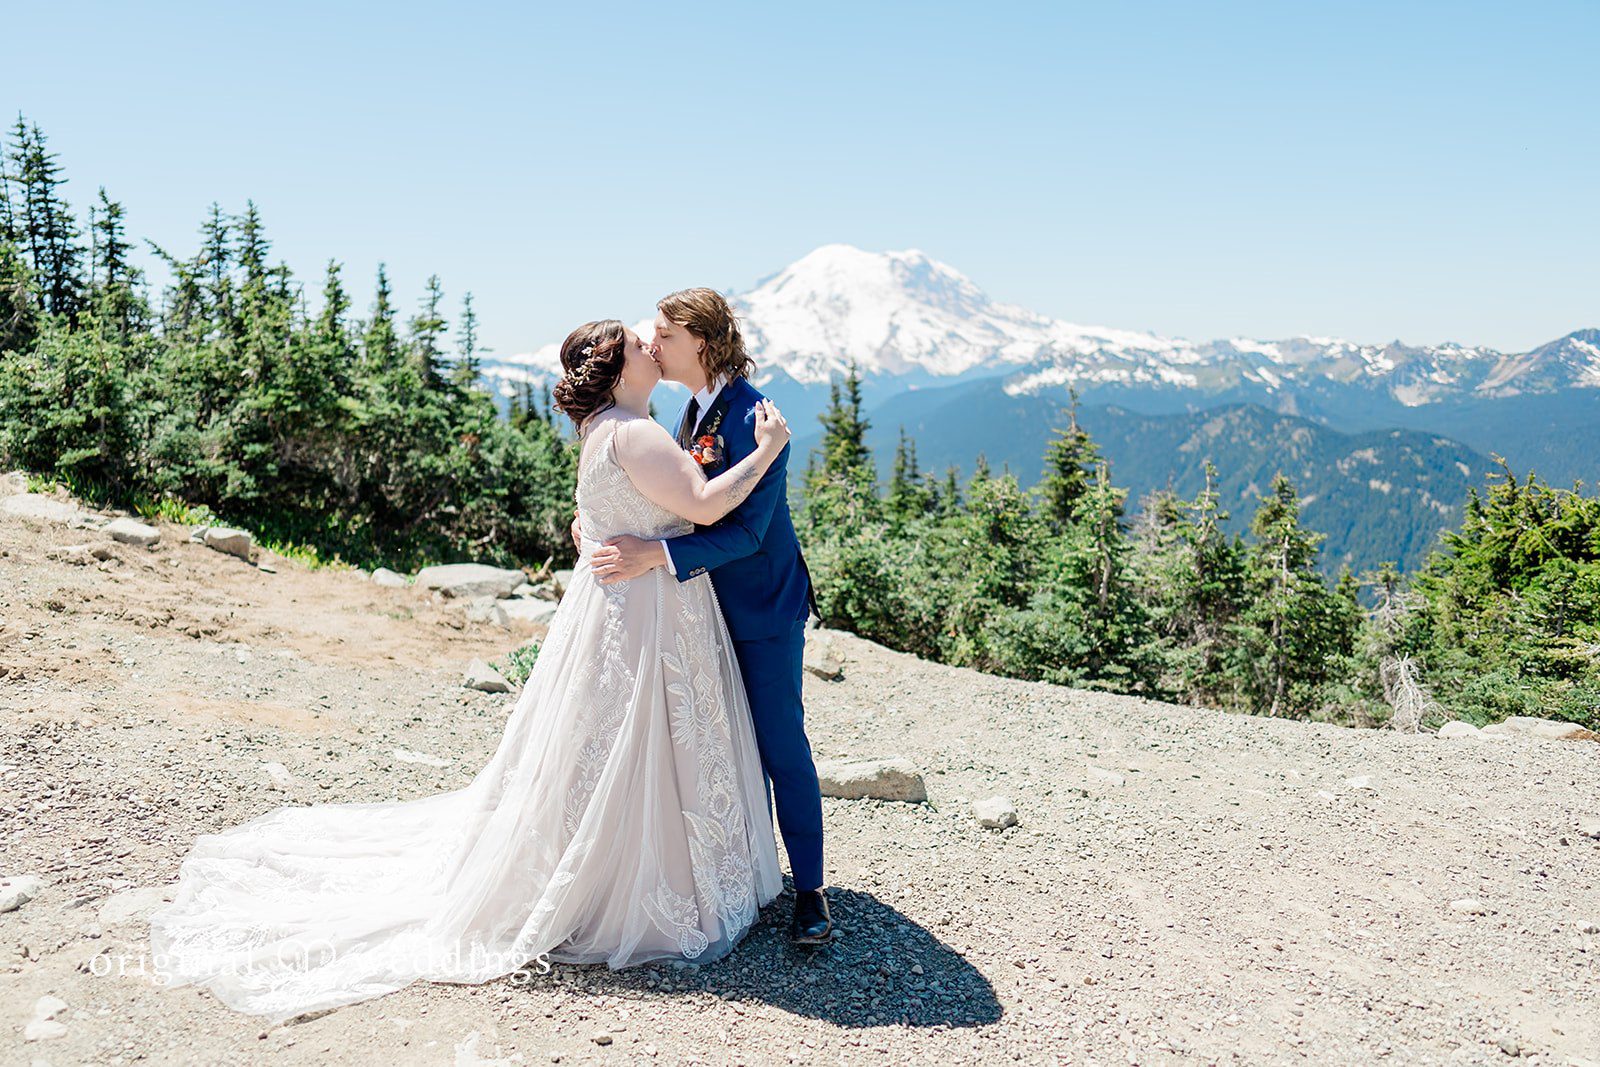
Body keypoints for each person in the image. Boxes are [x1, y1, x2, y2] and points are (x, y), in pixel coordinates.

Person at [147, 319, 792, 1024]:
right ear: (615, 370)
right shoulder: (636, 433)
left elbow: (605, 513)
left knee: (616, 742)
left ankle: (611, 860)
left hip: (620, 605)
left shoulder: (603, 430)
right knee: (650, 736)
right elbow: (701, 504)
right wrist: (765, 452)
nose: (651, 347)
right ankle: (647, 883)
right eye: (638, 345)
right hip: (652, 611)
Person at [585, 288, 831, 944]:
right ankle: (739, 874)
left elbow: (749, 534)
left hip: (760, 606)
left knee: (780, 743)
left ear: (700, 338)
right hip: (702, 608)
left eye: (663, 334)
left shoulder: (754, 418)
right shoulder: (689, 414)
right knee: (723, 744)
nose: (652, 344)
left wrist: (655, 555)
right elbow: (672, 495)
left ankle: (812, 890)